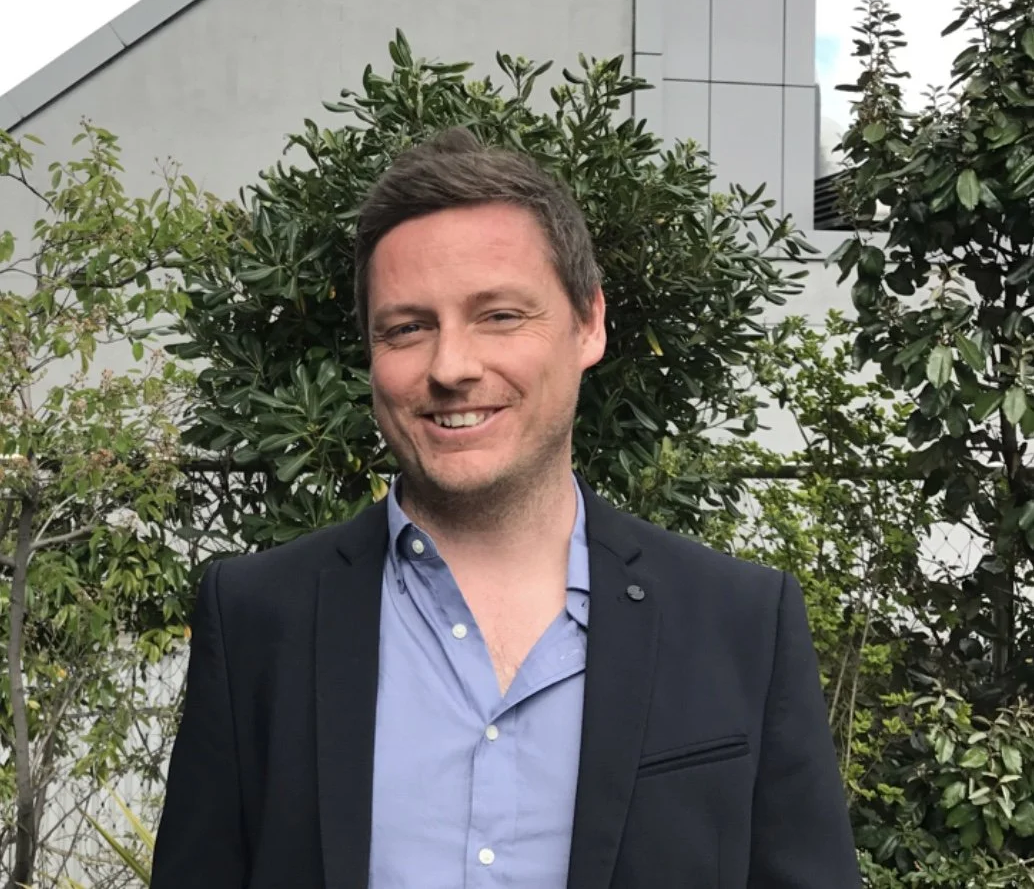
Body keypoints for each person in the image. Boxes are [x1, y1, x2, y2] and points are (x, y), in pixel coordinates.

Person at [151, 128, 861, 889]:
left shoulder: (739, 622)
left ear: (589, 324)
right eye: (408, 328)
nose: (452, 367)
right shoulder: (260, 617)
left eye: (499, 315)